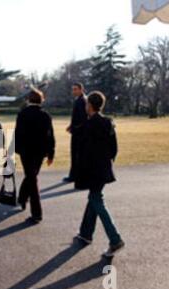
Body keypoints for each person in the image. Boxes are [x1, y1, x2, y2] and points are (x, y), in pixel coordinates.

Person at [75, 91, 125, 258]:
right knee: (94, 198)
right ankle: (85, 233)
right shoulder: (107, 123)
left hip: (93, 169)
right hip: (104, 167)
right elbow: (114, 148)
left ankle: (115, 238)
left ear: (89, 105)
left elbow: (84, 152)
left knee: (96, 200)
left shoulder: (89, 125)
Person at [15, 89, 56, 225]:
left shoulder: (22, 114)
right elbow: (50, 136)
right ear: (41, 100)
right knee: (32, 178)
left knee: (31, 177)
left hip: (26, 151)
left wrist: (17, 149)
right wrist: (51, 153)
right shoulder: (45, 115)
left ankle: (23, 199)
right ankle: (36, 212)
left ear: (28, 100)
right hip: (40, 152)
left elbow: (18, 133)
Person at [64, 83, 88, 184]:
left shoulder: (82, 101)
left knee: (77, 154)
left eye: (75, 89)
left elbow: (83, 118)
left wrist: (75, 128)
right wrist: (71, 125)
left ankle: (75, 175)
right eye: (73, 89)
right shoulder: (79, 100)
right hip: (77, 131)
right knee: (75, 154)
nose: (73, 91)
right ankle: (74, 174)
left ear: (81, 89)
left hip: (80, 133)